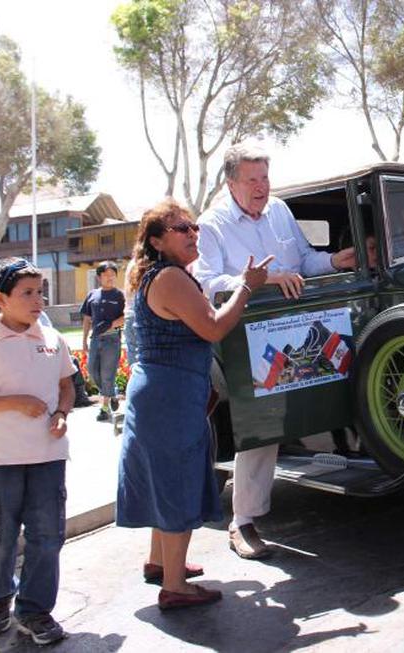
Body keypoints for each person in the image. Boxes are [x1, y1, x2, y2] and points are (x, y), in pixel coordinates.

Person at [194, 139, 357, 560]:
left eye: (265, 177)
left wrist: (334, 261)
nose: (262, 187)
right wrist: (261, 280)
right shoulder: (211, 224)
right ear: (231, 183)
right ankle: (243, 521)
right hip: (248, 337)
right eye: (252, 179)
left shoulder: (280, 210)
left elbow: (303, 262)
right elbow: (208, 284)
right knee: (263, 423)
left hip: (298, 329)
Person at [116, 199, 270, 609]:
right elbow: (214, 327)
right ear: (156, 241)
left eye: (193, 227)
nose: (192, 234)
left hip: (163, 392)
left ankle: (159, 563)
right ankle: (175, 586)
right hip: (171, 395)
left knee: (163, 479)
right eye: (181, 228)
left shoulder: (158, 275)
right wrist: (247, 286)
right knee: (177, 483)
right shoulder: (170, 277)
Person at [0, 258, 75, 645]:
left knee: (47, 536)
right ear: (1, 300)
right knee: (0, 536)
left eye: (41, 292)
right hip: (0, 459)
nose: (38, 300)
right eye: (28, 293)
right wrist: (15, 402)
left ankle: (35, 610)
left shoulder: (52, 339)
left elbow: (67, 386)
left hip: (48, 457)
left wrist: (61, 414)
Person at [80, 261, 125, 422]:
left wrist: (110, 325)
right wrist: (84, 340)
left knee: (107, 373)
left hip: (112, 339)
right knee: (92, 371)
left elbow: (125, 316)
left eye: (112, 274)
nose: (110, 277)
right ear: (99, 277)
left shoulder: (119, 295)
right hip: (95, 339)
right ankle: (112, 393)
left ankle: (105, 409)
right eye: (106, 274)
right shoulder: (92, 295)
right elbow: (87, 319)